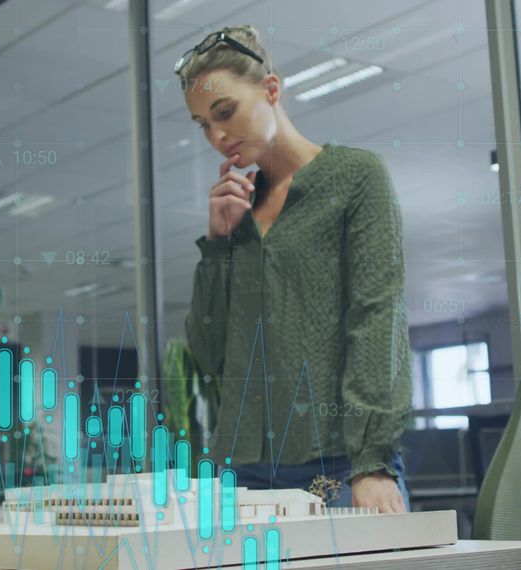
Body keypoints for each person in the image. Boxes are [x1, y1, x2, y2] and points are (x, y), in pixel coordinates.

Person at [178, 25, 412, 513]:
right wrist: (217, 246)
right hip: (237, 473)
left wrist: (371, 463)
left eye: (225, 113)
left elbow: (376, 321)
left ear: (271, 89)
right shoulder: (237, 212)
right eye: (203, 125)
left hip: (335, 467)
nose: (217, 137)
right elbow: (208, 354)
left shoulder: (355, 178)